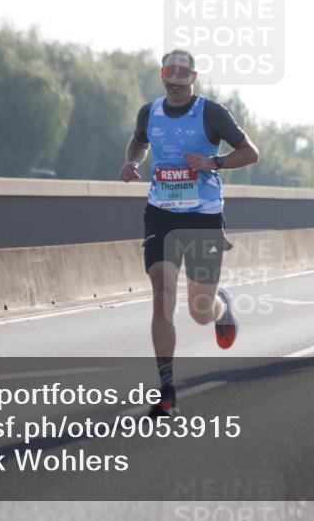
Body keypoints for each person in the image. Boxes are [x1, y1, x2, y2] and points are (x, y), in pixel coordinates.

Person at [119, 50, 259, 417]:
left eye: (183, 74)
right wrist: (133, 162)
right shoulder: (150, 112)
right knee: (161, 292)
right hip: (161, 213)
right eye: (169, 73)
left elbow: (250, 153)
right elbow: (139, 140)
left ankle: (221, 307)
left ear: (193, 78)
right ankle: (167, 391)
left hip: (202, 215)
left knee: (200, 311)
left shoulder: (210, 113)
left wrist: (215, 162)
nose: (176, 81)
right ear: (163, 76)